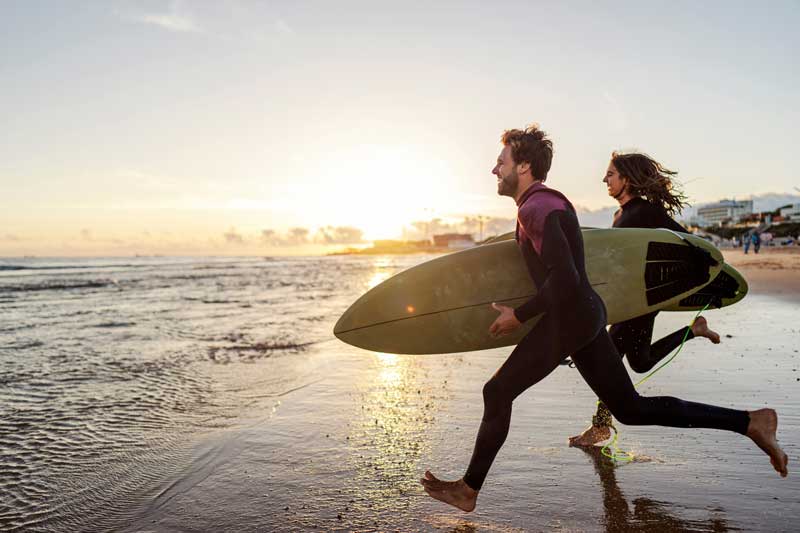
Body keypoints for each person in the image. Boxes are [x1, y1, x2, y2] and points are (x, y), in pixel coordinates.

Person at [419, 125, 788, 513]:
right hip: (584, 314)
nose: (495, 170)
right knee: (631, 409)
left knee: (496, 393)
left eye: (501, 162)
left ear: (524, 166)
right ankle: (750, 422)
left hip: (571, 316)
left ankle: (468, 489)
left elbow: (564, 276)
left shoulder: (535, 208)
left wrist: (520, 315)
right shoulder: (549, 203)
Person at [569, 152, 721, 447]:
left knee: (609, 361)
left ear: (626, 178)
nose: (605, 179)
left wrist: (704, 276)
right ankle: (694, 330)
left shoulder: (645, 212)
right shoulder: (619, 216)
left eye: (610, 174)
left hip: (641, 301)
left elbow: (686, 241)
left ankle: (600, 427)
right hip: (629, 300)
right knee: (640, 362)